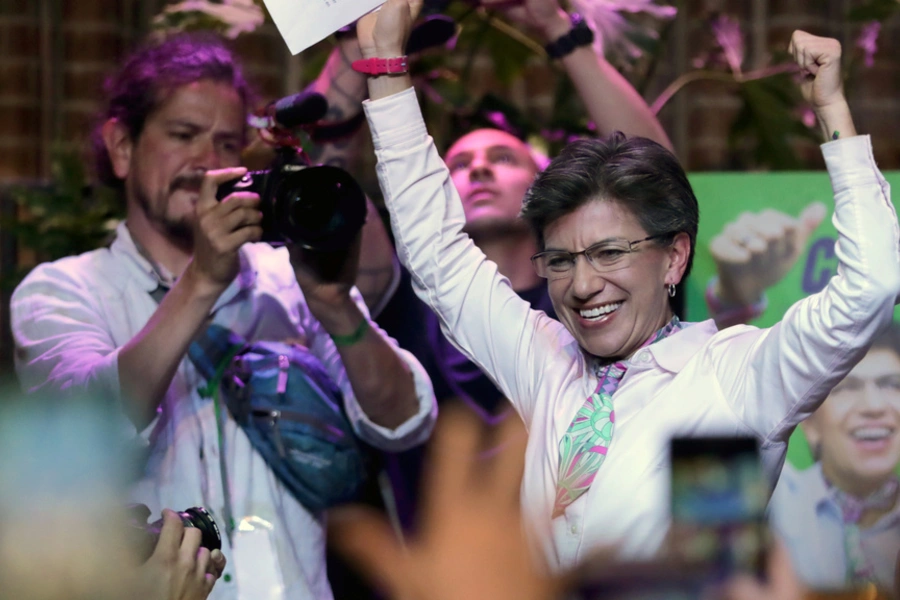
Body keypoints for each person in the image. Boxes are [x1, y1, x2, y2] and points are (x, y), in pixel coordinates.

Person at [355, 1, 900, 574]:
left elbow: (872, 285)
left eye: (610, 253)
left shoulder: (739, 373)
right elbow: (437, 255)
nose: (584, 285)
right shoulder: (544, 364)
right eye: (561, 261)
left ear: (675, 257)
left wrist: (833, 112)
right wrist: (385, 68)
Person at [9, 33, 437, 599]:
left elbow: (405, 419)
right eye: (183, 135)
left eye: (228, 142)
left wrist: (335, 307)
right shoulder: (62, 289)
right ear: (121, 146)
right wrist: (203, 282)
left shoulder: (286, 278)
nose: (208, 164)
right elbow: (87, 430)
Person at [769, 323, 900, 595]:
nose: (874, 407)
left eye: (891, 385)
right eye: (846, 388)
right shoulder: (773, 501)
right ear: (809, 423)